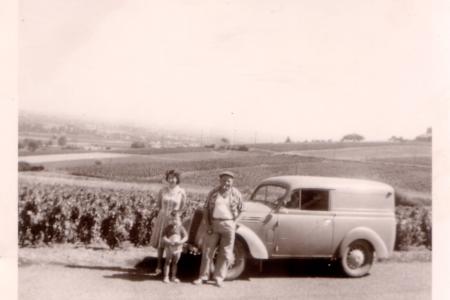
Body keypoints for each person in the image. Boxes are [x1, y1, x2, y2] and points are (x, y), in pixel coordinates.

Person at [193, 171, 243, 287]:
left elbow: (242, 209)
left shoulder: (236, 193)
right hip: (214, 223)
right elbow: (206, 208)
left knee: (225, 253)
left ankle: (219, 278)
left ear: (232, 182)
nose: (226, 183)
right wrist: (207, 224)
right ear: (220, 181)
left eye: (228, 181)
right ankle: (202, 277)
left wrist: (235, 223)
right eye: (224, 180)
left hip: (229, 224)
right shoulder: (213, 192)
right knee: (207, 251)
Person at [150, 170, 187, 275]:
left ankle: (171, 269)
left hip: (174, 220)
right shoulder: (162, 190)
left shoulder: (181, 192)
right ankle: (159, 267)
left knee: (173, 241)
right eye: (169, 178)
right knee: (162, 242)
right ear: (167, 179)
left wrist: (176, 214)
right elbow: (159, 205)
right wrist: (164, 214)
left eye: (174, 178)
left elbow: (183, 207)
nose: (171, 180)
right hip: (163, 218)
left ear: (177, 179)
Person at [161, 211, 188, 283]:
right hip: (169, 247)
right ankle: (166, 276)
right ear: (170, 220)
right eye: (172, 219)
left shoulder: (181, 228)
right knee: (168, 261)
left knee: (175, 262)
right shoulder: (168, 228)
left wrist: (181, 242)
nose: (174, 221)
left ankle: (173, 276)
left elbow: (186, 237)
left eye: (176, 219)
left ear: (180, 220)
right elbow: (163, 236)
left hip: (178, 248)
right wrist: (168, 241)